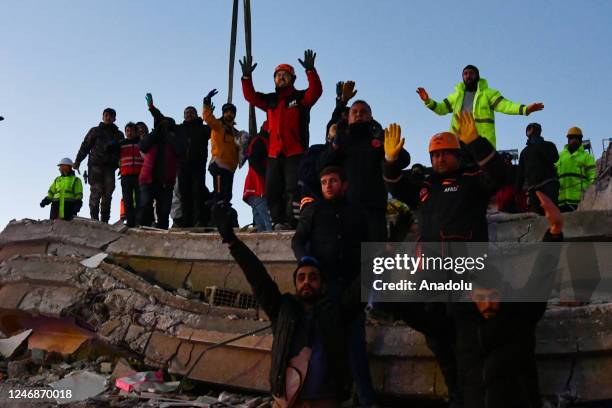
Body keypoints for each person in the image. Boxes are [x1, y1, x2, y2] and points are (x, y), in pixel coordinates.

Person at [382, 113, 506, 406]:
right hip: (430, 273)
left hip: (468, 272)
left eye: (445, 154)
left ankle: (469, 396)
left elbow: (500, 177)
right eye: (434, 155)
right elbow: (396, 186)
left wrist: (476, 142)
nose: (439, 160)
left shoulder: (473, 179)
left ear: (457, 154)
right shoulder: (425, 186)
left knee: (467, 340)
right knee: (436, 336)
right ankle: (455, 391)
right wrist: (389, 160)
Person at [213, 203, 363, 408]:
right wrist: (232, 241)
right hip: (285, 402)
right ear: (295, 284)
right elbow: (258, 277)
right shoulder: (283, 309)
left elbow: (364, 284)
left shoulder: (336, 310)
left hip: (326, 402)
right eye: (301, 278)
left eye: (312, 277)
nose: (306, 282)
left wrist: (389, 251)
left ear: (322, 285)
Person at [453, 192, 563, 408]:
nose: (487, 304)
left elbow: (541, 276)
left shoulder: (520, 314)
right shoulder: (462, 321)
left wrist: (555, 232)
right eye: (480, 298)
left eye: (492, 296)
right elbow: (421, 315)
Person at [292, 166, 376, 407]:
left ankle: (366, 399)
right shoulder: (314, 210)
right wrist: (307, 266)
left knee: (355, 344)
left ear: (344, 184)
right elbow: (298, 239)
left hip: (352, 285)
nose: (328, 185)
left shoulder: (356, 212)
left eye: (333, 181)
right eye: (324, 182)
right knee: (325, 345)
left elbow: (368, 244)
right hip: (325, 289)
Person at [240, 50, 323, 229]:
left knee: (293, 188)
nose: (281, 78)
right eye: (278, 75)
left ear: (292, 79)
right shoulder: (270, 100)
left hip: (295, 151)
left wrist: (311, 71)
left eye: (285, 75)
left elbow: (315, 92)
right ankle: (277, 222)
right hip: (274, 153)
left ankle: (292, 223)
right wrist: (246, 77)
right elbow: (251, 97)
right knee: (272, 190)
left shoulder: (300, 98)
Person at [321, 100, 410, 241]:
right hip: (346, 208)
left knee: (374, 256)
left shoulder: (379, 139)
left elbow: (405, 160)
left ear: (371, 117)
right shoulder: (342, 140)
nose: (359, 115)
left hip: (375, 209)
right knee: (350, 256)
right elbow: (323, 165)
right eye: (354, 112)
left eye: (363, 112)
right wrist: (335, 141)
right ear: (348, 117)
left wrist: (386, 146)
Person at [417, 65, 544, 148]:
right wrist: (428, 100)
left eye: (471, 73)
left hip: (481, 142)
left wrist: (524, 109)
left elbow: (506, 105)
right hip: (458, 142)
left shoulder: (488, 93)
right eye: (465, 73)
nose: (468, 76)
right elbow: (441, 109)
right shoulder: (457, 95)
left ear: (477, 76)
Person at [146, 93, 210, 227]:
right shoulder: (179, 128)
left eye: (191, 112)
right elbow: (163, 120)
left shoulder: (203, 129)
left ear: (196, 114)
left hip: (198, 166)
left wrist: (207, 106)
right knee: (184, 194)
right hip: (182, 165)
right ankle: (187, 221)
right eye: (186, 113)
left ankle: (199, 220)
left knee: (197, 193)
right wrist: (152, 108)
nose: (188, 115)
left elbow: (216, 124)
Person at [74, 108, 124, 222]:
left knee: (108, 194)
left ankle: (104, 221)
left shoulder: (119, 134)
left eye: (111, 116)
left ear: (114, 118)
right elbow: (85, 146)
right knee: (96, 193)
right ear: (102, 117)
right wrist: (78, 161)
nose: (108, 117)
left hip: (110, 168)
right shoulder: (95, 131)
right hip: (95, 166)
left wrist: (122, 166)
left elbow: (122, 152)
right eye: (106, 115)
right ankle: (94, 219)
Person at [137, 116, 185, 229]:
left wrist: (168, 135)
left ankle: (162, 229)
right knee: (145, 205)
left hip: (166, 180)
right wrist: (157, 131)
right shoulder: (153, 137)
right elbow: (142, 146)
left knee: (164, 210)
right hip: (148, 178)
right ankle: (142, 227)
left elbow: (180, 150)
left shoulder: (175, 139)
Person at [202, 89, 240, 204]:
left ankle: (208, 203)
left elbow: (240, 149)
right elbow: (208, 118)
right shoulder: (218, 125)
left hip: (230, 168)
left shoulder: (236, 133)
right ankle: (214, 216)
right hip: (218, 165)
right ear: (223, 113)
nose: (229, 114)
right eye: (227, 112)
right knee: (220, 194)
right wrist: (207, 103)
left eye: (232, 112)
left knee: (227, 196)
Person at [515, 123, 559, 215]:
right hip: (534, 190)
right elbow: (520, 173)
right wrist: (517, 191)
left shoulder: (548, 145)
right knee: (537, 216)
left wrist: (540, 146)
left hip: (549, 185)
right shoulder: (524, 152)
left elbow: (555, 157)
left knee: (551, 213)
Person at [556, 126, 596, 212]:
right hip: (561, 201)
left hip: (580, 200)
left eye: (577, 138)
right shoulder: (560, 156)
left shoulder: (587, 157)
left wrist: (590, 194)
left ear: (580, 140)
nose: (574, 140)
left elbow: (593, 177)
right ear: (568, 139)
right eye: (571, 137)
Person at [113, 122, 144, 227]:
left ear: (136, 132)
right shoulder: (121, 144)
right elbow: (112, 153)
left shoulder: (141, 143)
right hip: (126, 176)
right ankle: (130, 223)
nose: (129, 133)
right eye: (127, 131)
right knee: (127, 200)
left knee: (140, 200)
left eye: (131, 131)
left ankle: (139, 222)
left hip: (139, 175)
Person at [243, 122, 272, 232]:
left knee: (258, 215)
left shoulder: (259, 140)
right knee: (265, 216)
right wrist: (266, 175)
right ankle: (269, 237)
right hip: (257, 184)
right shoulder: (261, 141)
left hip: (253, 185)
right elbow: (255, 161)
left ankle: (262, 236)